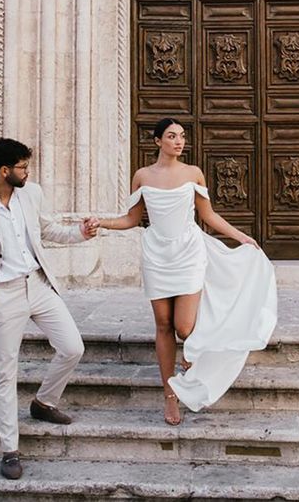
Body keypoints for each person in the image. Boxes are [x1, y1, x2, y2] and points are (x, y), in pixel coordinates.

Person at [97, 118, 277, 426]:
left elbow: (207, 215)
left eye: (181, 136)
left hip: (190, 253)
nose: (178, 141)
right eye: (171, 136)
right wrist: (101, 223)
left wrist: (241, 237)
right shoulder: (142, 176)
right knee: (164, 325)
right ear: (157, 141)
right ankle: (170, 396)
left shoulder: (193, 173)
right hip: (156, 255)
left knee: (184, 327)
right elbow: (132, 219)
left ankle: (190, 359)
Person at [0, 138, 99, 480]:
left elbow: (47, 230)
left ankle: (44, 403)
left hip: (38, 285)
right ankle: (10, 450)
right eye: (22, 166)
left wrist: (81, 233)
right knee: (5, 372)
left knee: (73, 347)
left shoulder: (30, 194)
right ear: (4, 171)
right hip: (2, 294)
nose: (27, 172)